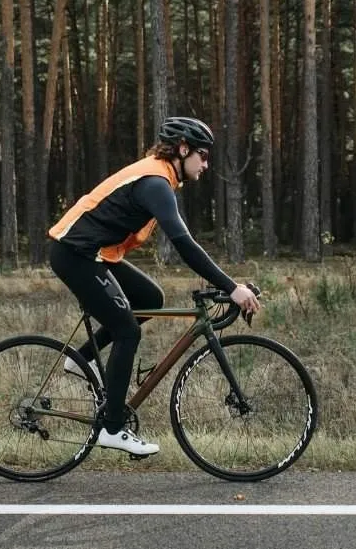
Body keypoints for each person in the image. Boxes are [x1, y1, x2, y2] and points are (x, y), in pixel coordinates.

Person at [47, 116, 260, 457]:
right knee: (127, 332)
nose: (206, 164)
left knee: (150, 297)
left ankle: (80, 360)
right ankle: (112, 428)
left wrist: (230, 284)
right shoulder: (155, 182)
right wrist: (232, 287)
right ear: (183, 149)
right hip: (76, 254)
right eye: (202, 156)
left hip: (95, 253)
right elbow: (185, 244)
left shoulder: (161, 178)